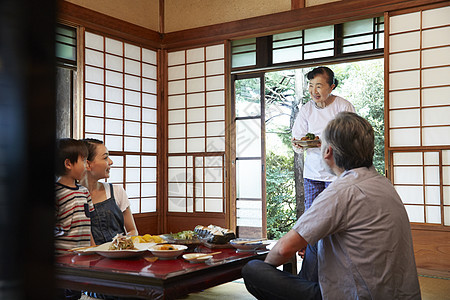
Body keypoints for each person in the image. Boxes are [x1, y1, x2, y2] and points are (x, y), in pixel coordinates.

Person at [243, 112, 421, 299]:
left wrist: (267, 268)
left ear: (328, 151)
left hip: (357, 294)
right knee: (314, 241)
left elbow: (283, 249)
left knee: (253, 270)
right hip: (397, 293)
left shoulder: (342, 190)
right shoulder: (383, 183)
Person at [291, 66, 355, 282]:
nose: (313, 90)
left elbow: (351, 137)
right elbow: (297, 141)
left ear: (331, 86)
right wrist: (300, 144)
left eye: (319, 85)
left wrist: (327, 143)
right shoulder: (306, 109)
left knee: (337, 221)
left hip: (337, 173)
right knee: (312, 220)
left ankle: (337, 272)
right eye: (310, 85)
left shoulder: (343, 106)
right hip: (312, 173)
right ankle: (311, 272)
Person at [81, 138, 138, 246]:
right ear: (87, 164)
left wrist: (120, 244)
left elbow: (132, 231)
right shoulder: (74, 197)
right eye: (105, 157)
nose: (111, 162)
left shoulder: (117, 191)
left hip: (120, 256)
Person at [55, 138, 94, 255]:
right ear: (68, 164)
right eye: (83, 161)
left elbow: (89, 225)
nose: (86, 166)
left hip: (83, 256)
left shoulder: (84, 192)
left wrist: (93, 249)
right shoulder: (56, 193)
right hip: (62, 259)